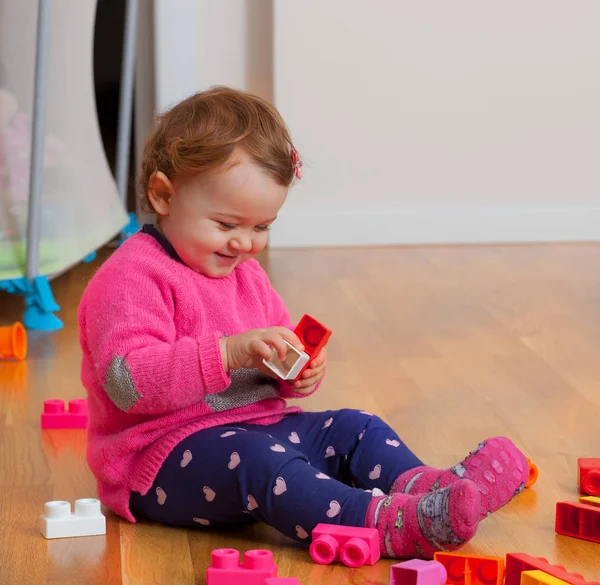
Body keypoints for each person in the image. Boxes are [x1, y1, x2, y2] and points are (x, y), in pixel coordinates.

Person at [78, 86, 529, 559]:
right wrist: (227, 351)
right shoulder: (132, 277)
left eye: (261, 227)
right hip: (161, 459)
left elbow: (274, 369)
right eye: (227, 225)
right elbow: (127, 383)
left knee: (356, 427)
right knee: (261, 465)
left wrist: (297, 373)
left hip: (263, 426)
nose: (245, 245)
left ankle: (430, 492)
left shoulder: (245, 275)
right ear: (163, 195)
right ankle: (383, 522)